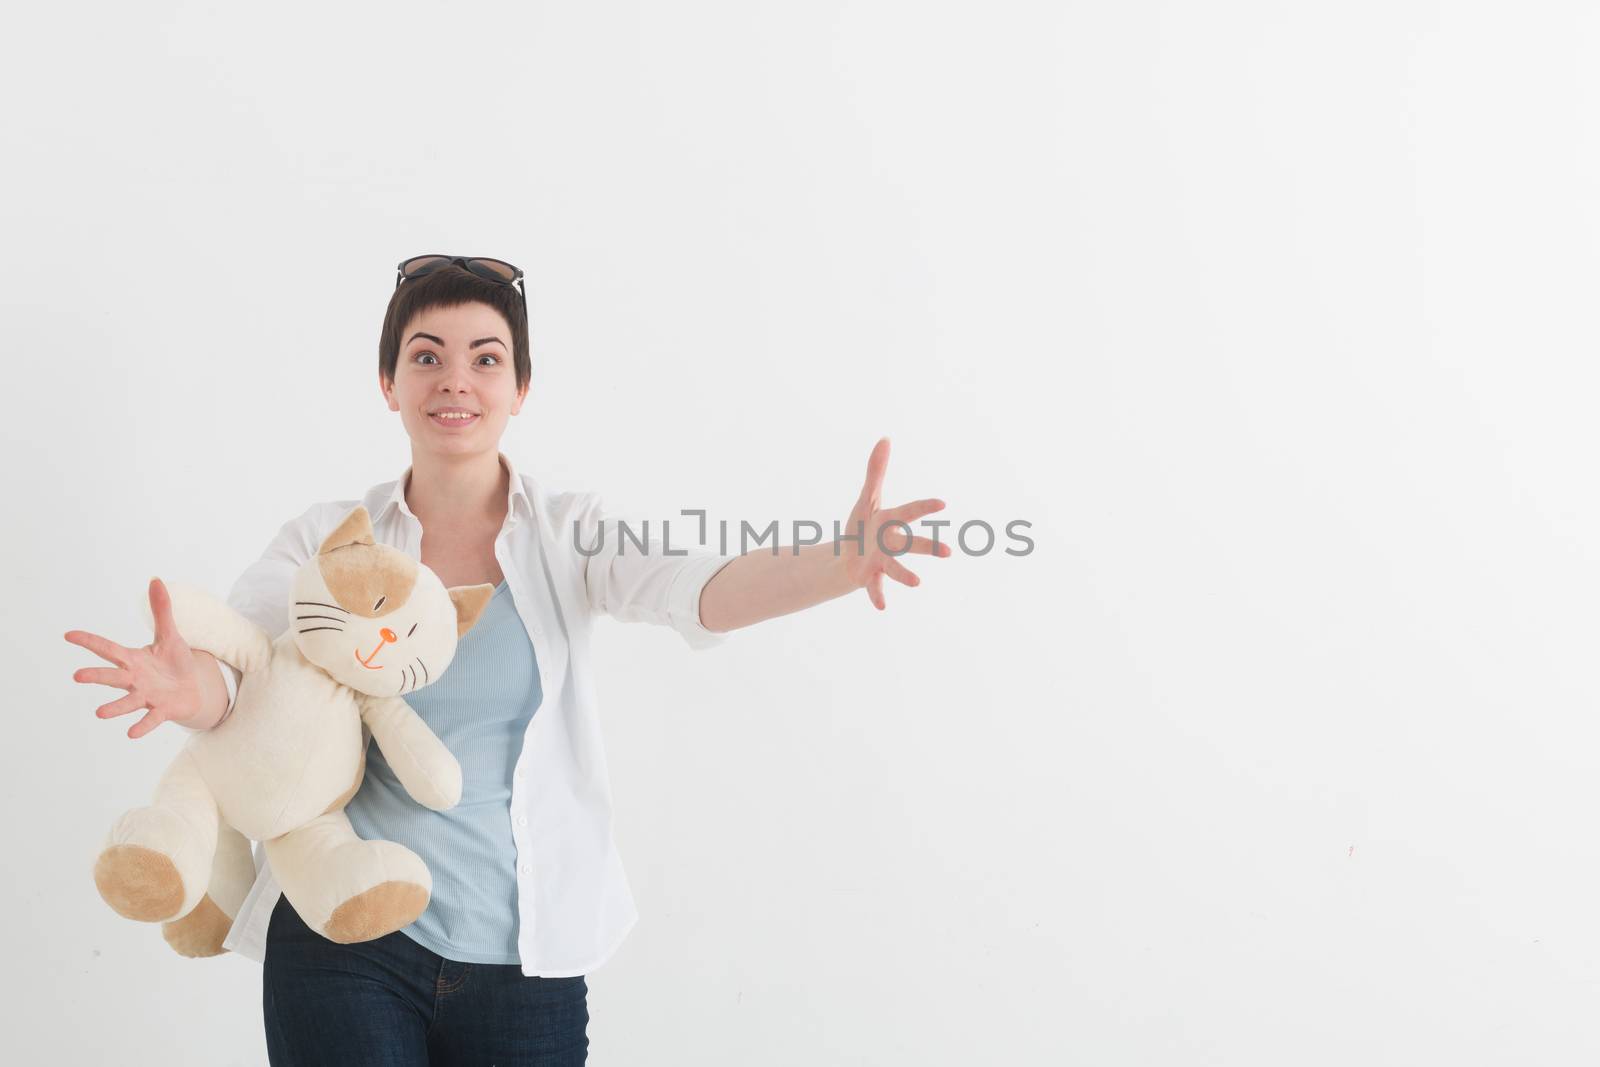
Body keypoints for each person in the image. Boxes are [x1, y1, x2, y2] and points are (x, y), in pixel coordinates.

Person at [65, 254, 950, 1065]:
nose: (456, 379)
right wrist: (202, 692)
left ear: (521, 387)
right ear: (388, 382)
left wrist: (839, 561)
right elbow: (244, 659)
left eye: (487, 358)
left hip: (524, 963)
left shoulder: (569, 530)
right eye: (426, 355)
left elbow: (696, 588)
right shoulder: (327, 538)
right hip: (344, 936)